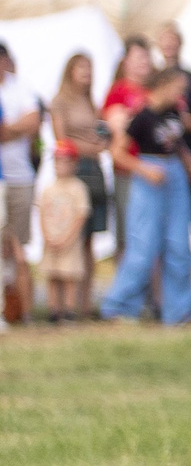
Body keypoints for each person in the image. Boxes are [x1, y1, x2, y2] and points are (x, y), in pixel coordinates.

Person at [100, 68, 191, 325]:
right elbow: (117, 152)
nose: (182, 94)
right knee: (143, 247)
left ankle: (179, 312)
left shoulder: (173, 111)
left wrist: (187, 159)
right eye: (179, 88)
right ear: (164, 85)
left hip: (174, 176)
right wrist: (144, 170)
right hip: (148, 176)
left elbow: (174, 140)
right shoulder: (142, 117)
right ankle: (118, 307)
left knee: (179, 246)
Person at [50, 54, 109, 255]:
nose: (87, 72)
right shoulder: (60, 101)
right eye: (82, 67)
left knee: (89, 234)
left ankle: (87, 276)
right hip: (75, 168)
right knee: (74, 230)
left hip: (94, 168)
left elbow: (100, 131)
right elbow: (62, 140)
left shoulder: (90, 101)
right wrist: (90, 148)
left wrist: (102, 141)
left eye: (89, 67)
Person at [0, 42, 41, 327]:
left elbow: (33, 122)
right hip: (2, 178)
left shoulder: (21, 88)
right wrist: (18, 129)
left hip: (20, 177)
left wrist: (8, 131)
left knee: (19, 247)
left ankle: (22, 311)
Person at [38, 144, 94, 319]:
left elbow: (82, 215)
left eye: (66, 161)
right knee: (52, 274)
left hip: (70, 241)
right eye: (58, 161)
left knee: (70, 275)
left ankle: (69, 310)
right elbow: (41, 213)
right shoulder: (48, 189)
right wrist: (46, 236)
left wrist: (67, 238)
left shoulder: (78, 188)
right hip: (51, 239)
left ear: (74, 164)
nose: (61, 165)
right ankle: (54, 310)